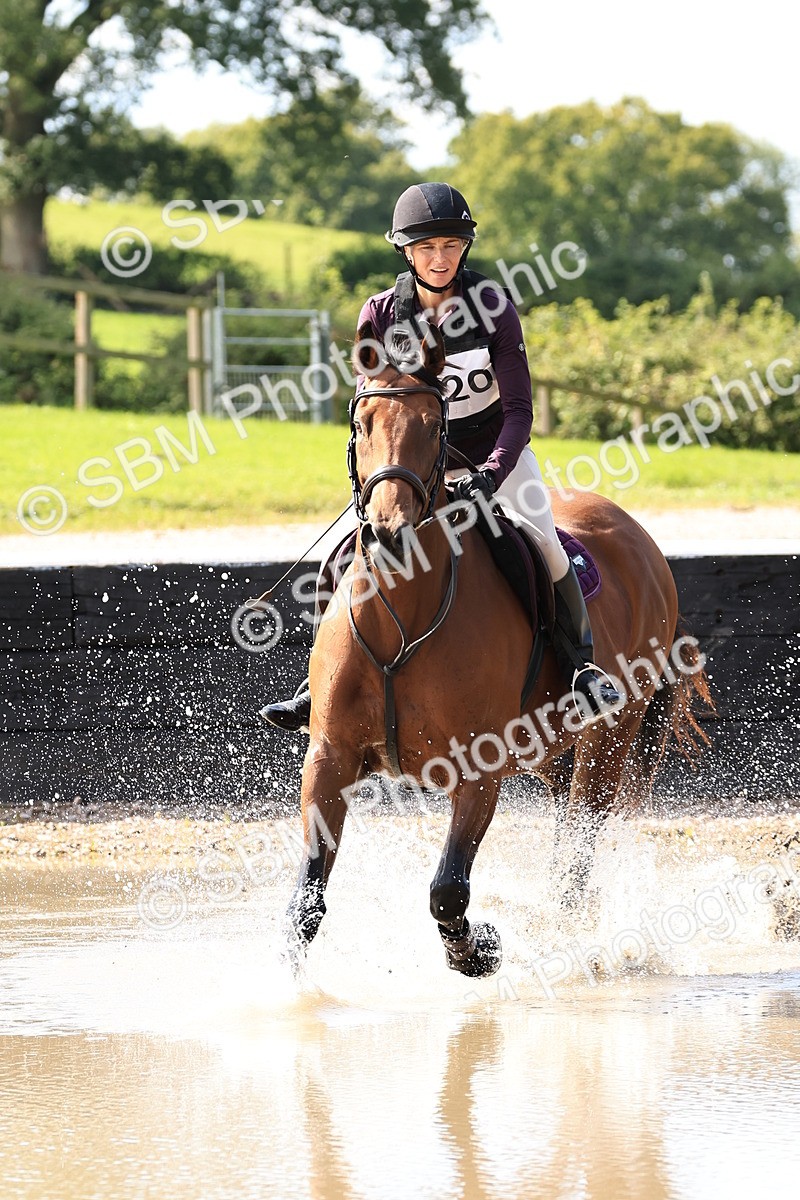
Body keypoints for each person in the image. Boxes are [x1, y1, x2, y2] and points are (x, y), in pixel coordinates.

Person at [261, 182, 623, 732]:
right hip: (413, 463)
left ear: (465, 249)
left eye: (451, 246)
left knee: (543, 538)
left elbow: (520, 410)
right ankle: (318, 683)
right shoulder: (380, 314)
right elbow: (370, 406)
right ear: (406, 251)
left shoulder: (494, 308)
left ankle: (581, 669)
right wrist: (379, 473)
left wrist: (491, 473)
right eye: (427, 248)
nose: (439, 258)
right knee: (340, 559)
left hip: (493, 453)